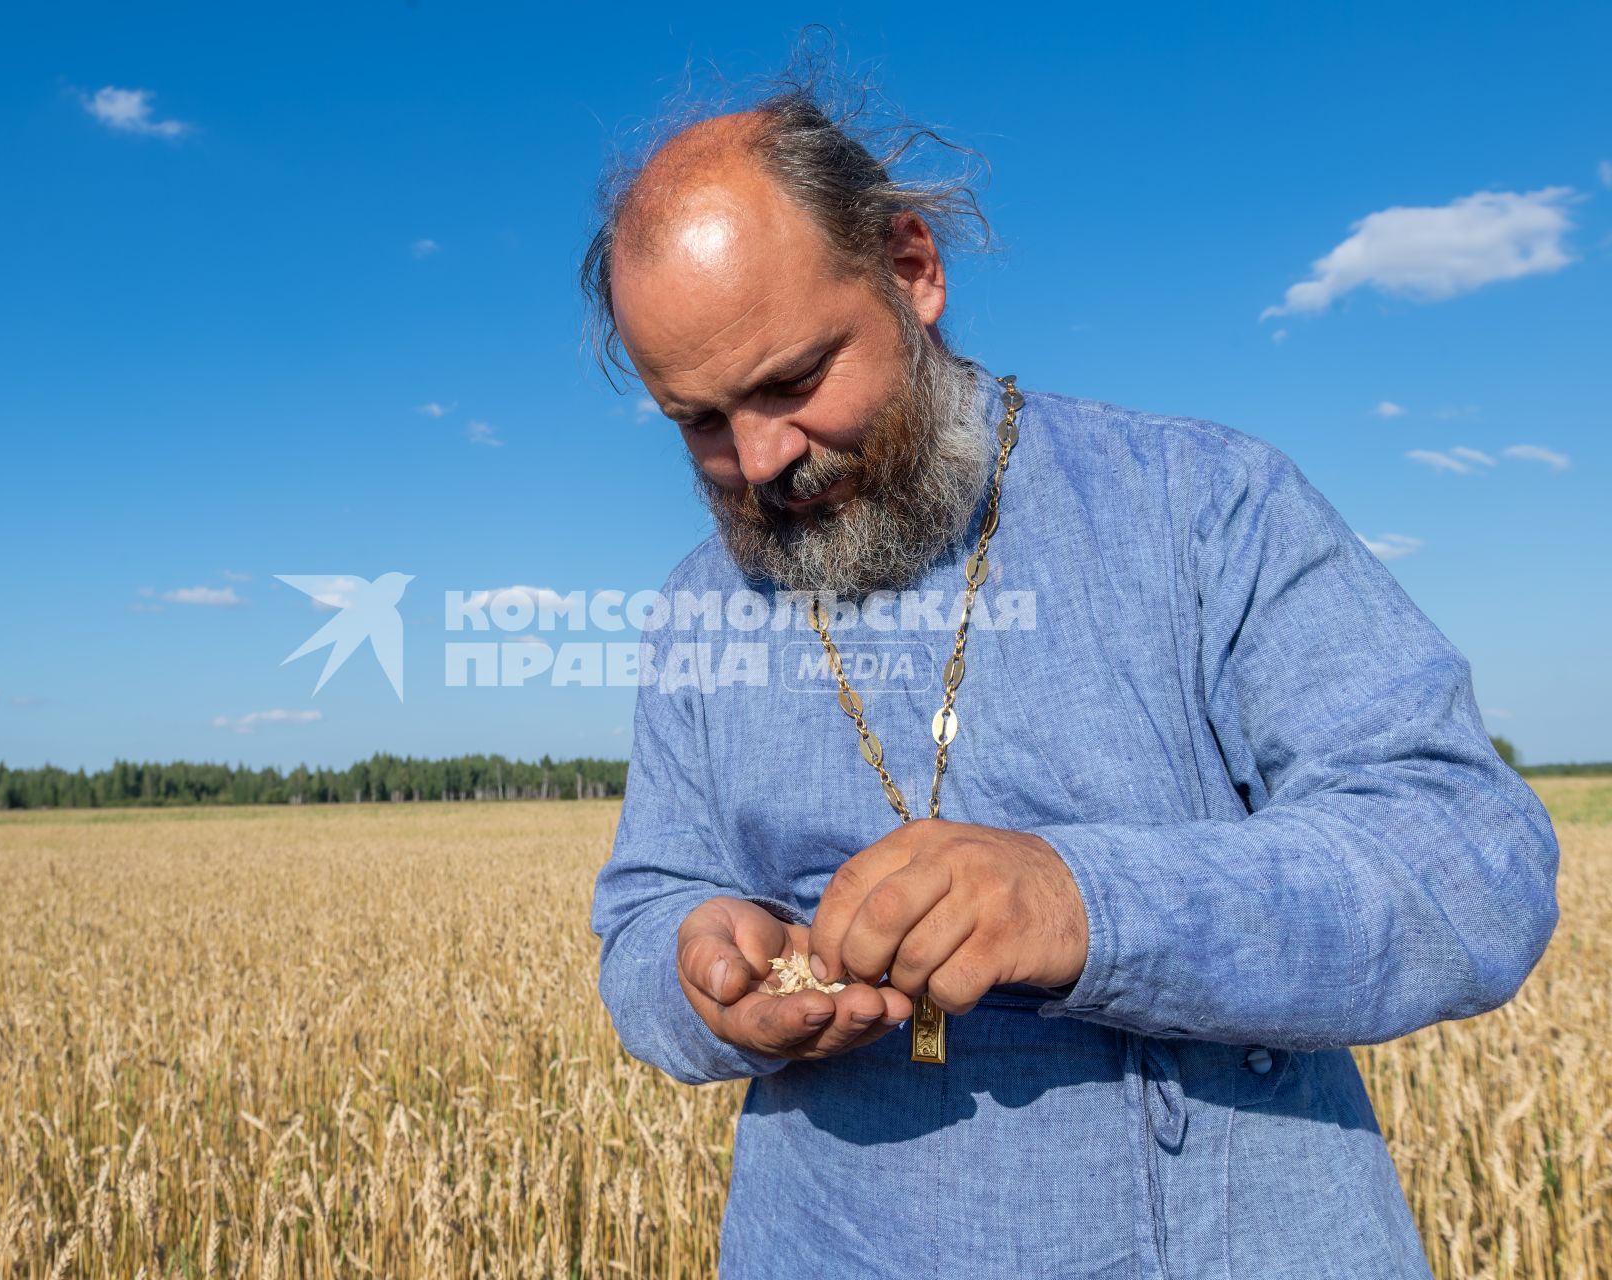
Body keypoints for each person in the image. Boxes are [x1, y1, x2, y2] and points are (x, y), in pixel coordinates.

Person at [580, 62, 1561, 1280]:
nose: (763, 455)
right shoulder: (696, 608)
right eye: (700, 422)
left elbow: (1474, 861)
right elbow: (642, 915)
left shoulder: (1201, 505)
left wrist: (1078, 898)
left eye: (794, 381)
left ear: (911, 268)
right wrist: (698, 968)